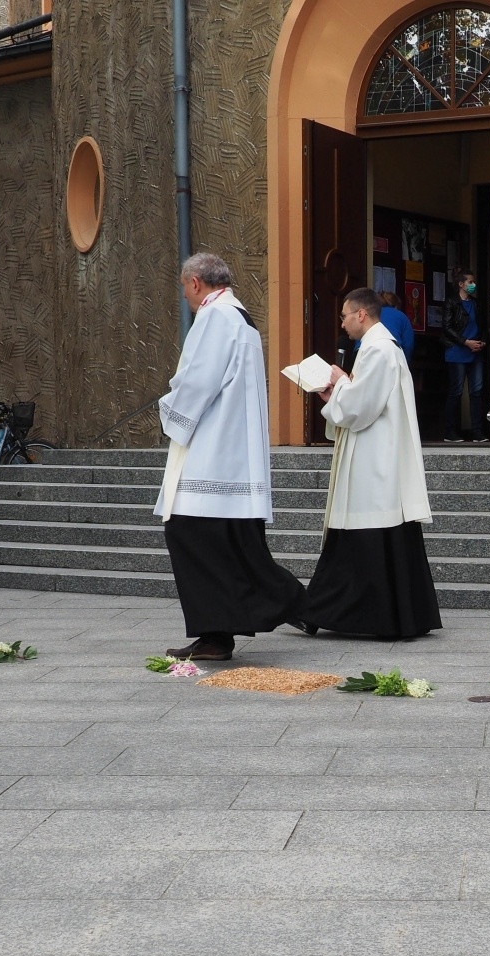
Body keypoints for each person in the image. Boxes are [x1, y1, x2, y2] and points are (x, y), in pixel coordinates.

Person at [155, 252, 306, 661]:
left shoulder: (215, 317)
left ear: (195, 283)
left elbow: (198, 380)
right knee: (234, 544)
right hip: (232, 452)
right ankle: (270, 609)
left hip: (212, 452)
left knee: (188, 534)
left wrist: (168, 411)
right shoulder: (240, 317)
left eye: (184, 286)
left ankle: (228, 630)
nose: (185, 295)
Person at [300, 287, 441, 639]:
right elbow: (365, 397)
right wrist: (343, 387)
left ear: (361, 314)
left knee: (365, 539)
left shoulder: (378, 350)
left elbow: (361, 408)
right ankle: (379, 616)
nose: (343, 323)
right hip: (374, 457)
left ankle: (341, 614)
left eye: (345, 316)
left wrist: (335, 389)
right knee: (375, 541)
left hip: (375, 463)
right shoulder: (378, 349)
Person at [441, 269, 489, 443]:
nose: (473, 285)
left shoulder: (476, 303)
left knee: (477, 392)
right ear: (460, 284)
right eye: (469, 282)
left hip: (475, 352)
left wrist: (482, 342)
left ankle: (477, 431)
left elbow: (484, 325)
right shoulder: (451, 302)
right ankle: (450, 432)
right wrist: (465, 342)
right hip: (457, 352)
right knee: (456, 391)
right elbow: (447, 327)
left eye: (473, 282)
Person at [377, 289, 416, 363]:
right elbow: (408, 344)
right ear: (395, 303)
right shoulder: (402, 317)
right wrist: (405, 362)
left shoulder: (372, 314)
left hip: (369, 352)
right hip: (393, 355)